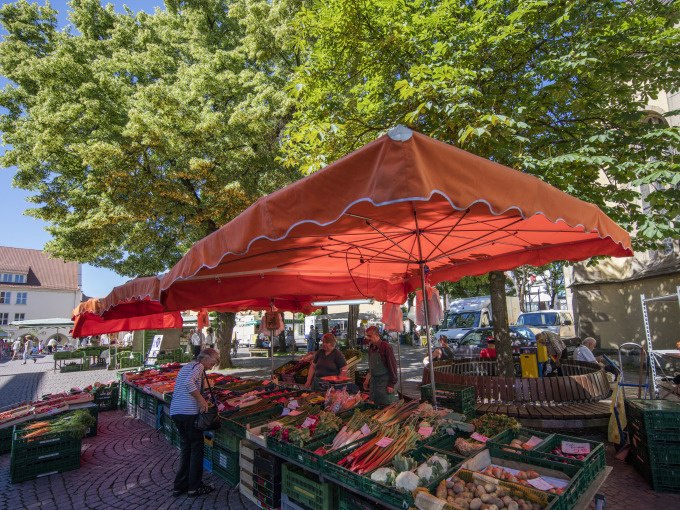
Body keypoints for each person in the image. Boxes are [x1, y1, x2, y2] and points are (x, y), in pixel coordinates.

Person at [169, 348, 219, 497]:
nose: (212, 367)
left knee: (186, 449)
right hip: (188, 413)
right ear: (207, 358)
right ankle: (194, 487)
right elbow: (189, 384)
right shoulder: (199, 367)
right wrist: (201, 400)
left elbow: (187, 383)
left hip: (176, 412)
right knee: (196, 449)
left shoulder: (187, 366)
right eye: (213, 363)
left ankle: (180, 486)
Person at [363, 326, 398, 406]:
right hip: (374, 383)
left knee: (386, 407)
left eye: (370, 336)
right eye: (367, 336)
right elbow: (371, 367)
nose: (368, 338)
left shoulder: (386, 347)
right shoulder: (371, 348)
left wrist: (391, 384)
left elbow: (392, 366)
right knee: (374, 406)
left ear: (376, 335)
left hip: (384, 383)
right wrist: (367, 379)